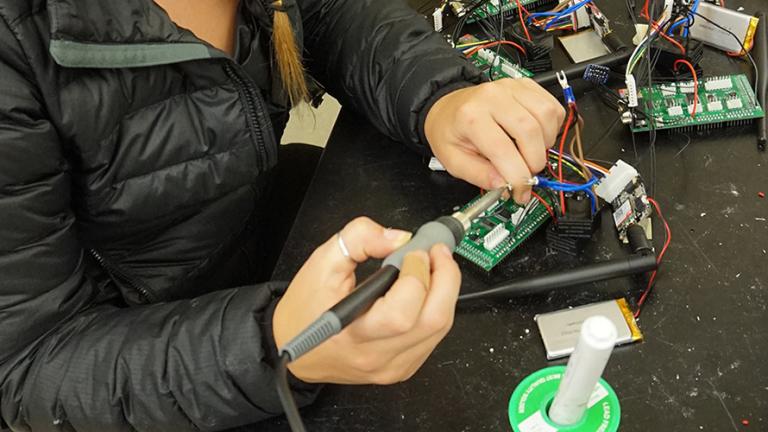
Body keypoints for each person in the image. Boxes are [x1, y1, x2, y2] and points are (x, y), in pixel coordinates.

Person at [0, 0, 565, 430]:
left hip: (272, 231)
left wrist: (438, 98)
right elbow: (30, 367)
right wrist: (272, 345)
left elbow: (328, 12)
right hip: (147, 366)